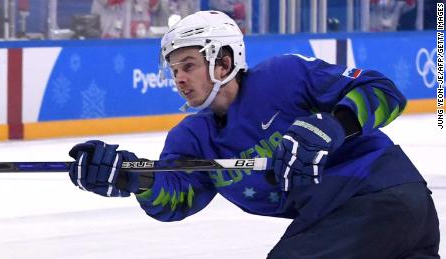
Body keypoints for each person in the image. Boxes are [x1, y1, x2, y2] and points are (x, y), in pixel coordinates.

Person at [68, 11, 440, 258]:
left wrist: (332, 125)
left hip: (381, 193)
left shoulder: (283, 77)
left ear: (224, 61)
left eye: (189, 65)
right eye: (174, 69)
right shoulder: (193, 139)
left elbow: (384, 93)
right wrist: (137, 176)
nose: (179, 78)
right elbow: (176, 201)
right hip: (348, 220)